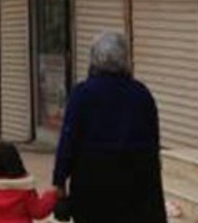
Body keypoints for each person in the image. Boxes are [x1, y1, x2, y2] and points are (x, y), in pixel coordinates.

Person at [53, 31, 166, 223]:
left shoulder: (82, 94)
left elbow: (68, 141)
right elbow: (153, 142)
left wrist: (59, 182)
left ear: (94, 59)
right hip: (137, 183)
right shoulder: (141, 94)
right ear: (126, 59)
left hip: (93, 184)